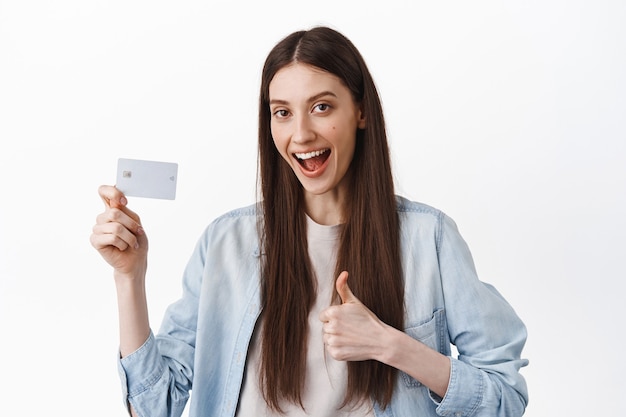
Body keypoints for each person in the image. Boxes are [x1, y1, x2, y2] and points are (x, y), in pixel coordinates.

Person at [90, 26, 529, 417]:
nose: (300, 134)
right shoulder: (226, 243)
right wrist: (129, 277)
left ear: (360, 112)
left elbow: (505, 397)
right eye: (282, 112)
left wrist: (391, 345)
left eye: (321, 107)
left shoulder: (427, 239)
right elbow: (154, 406)